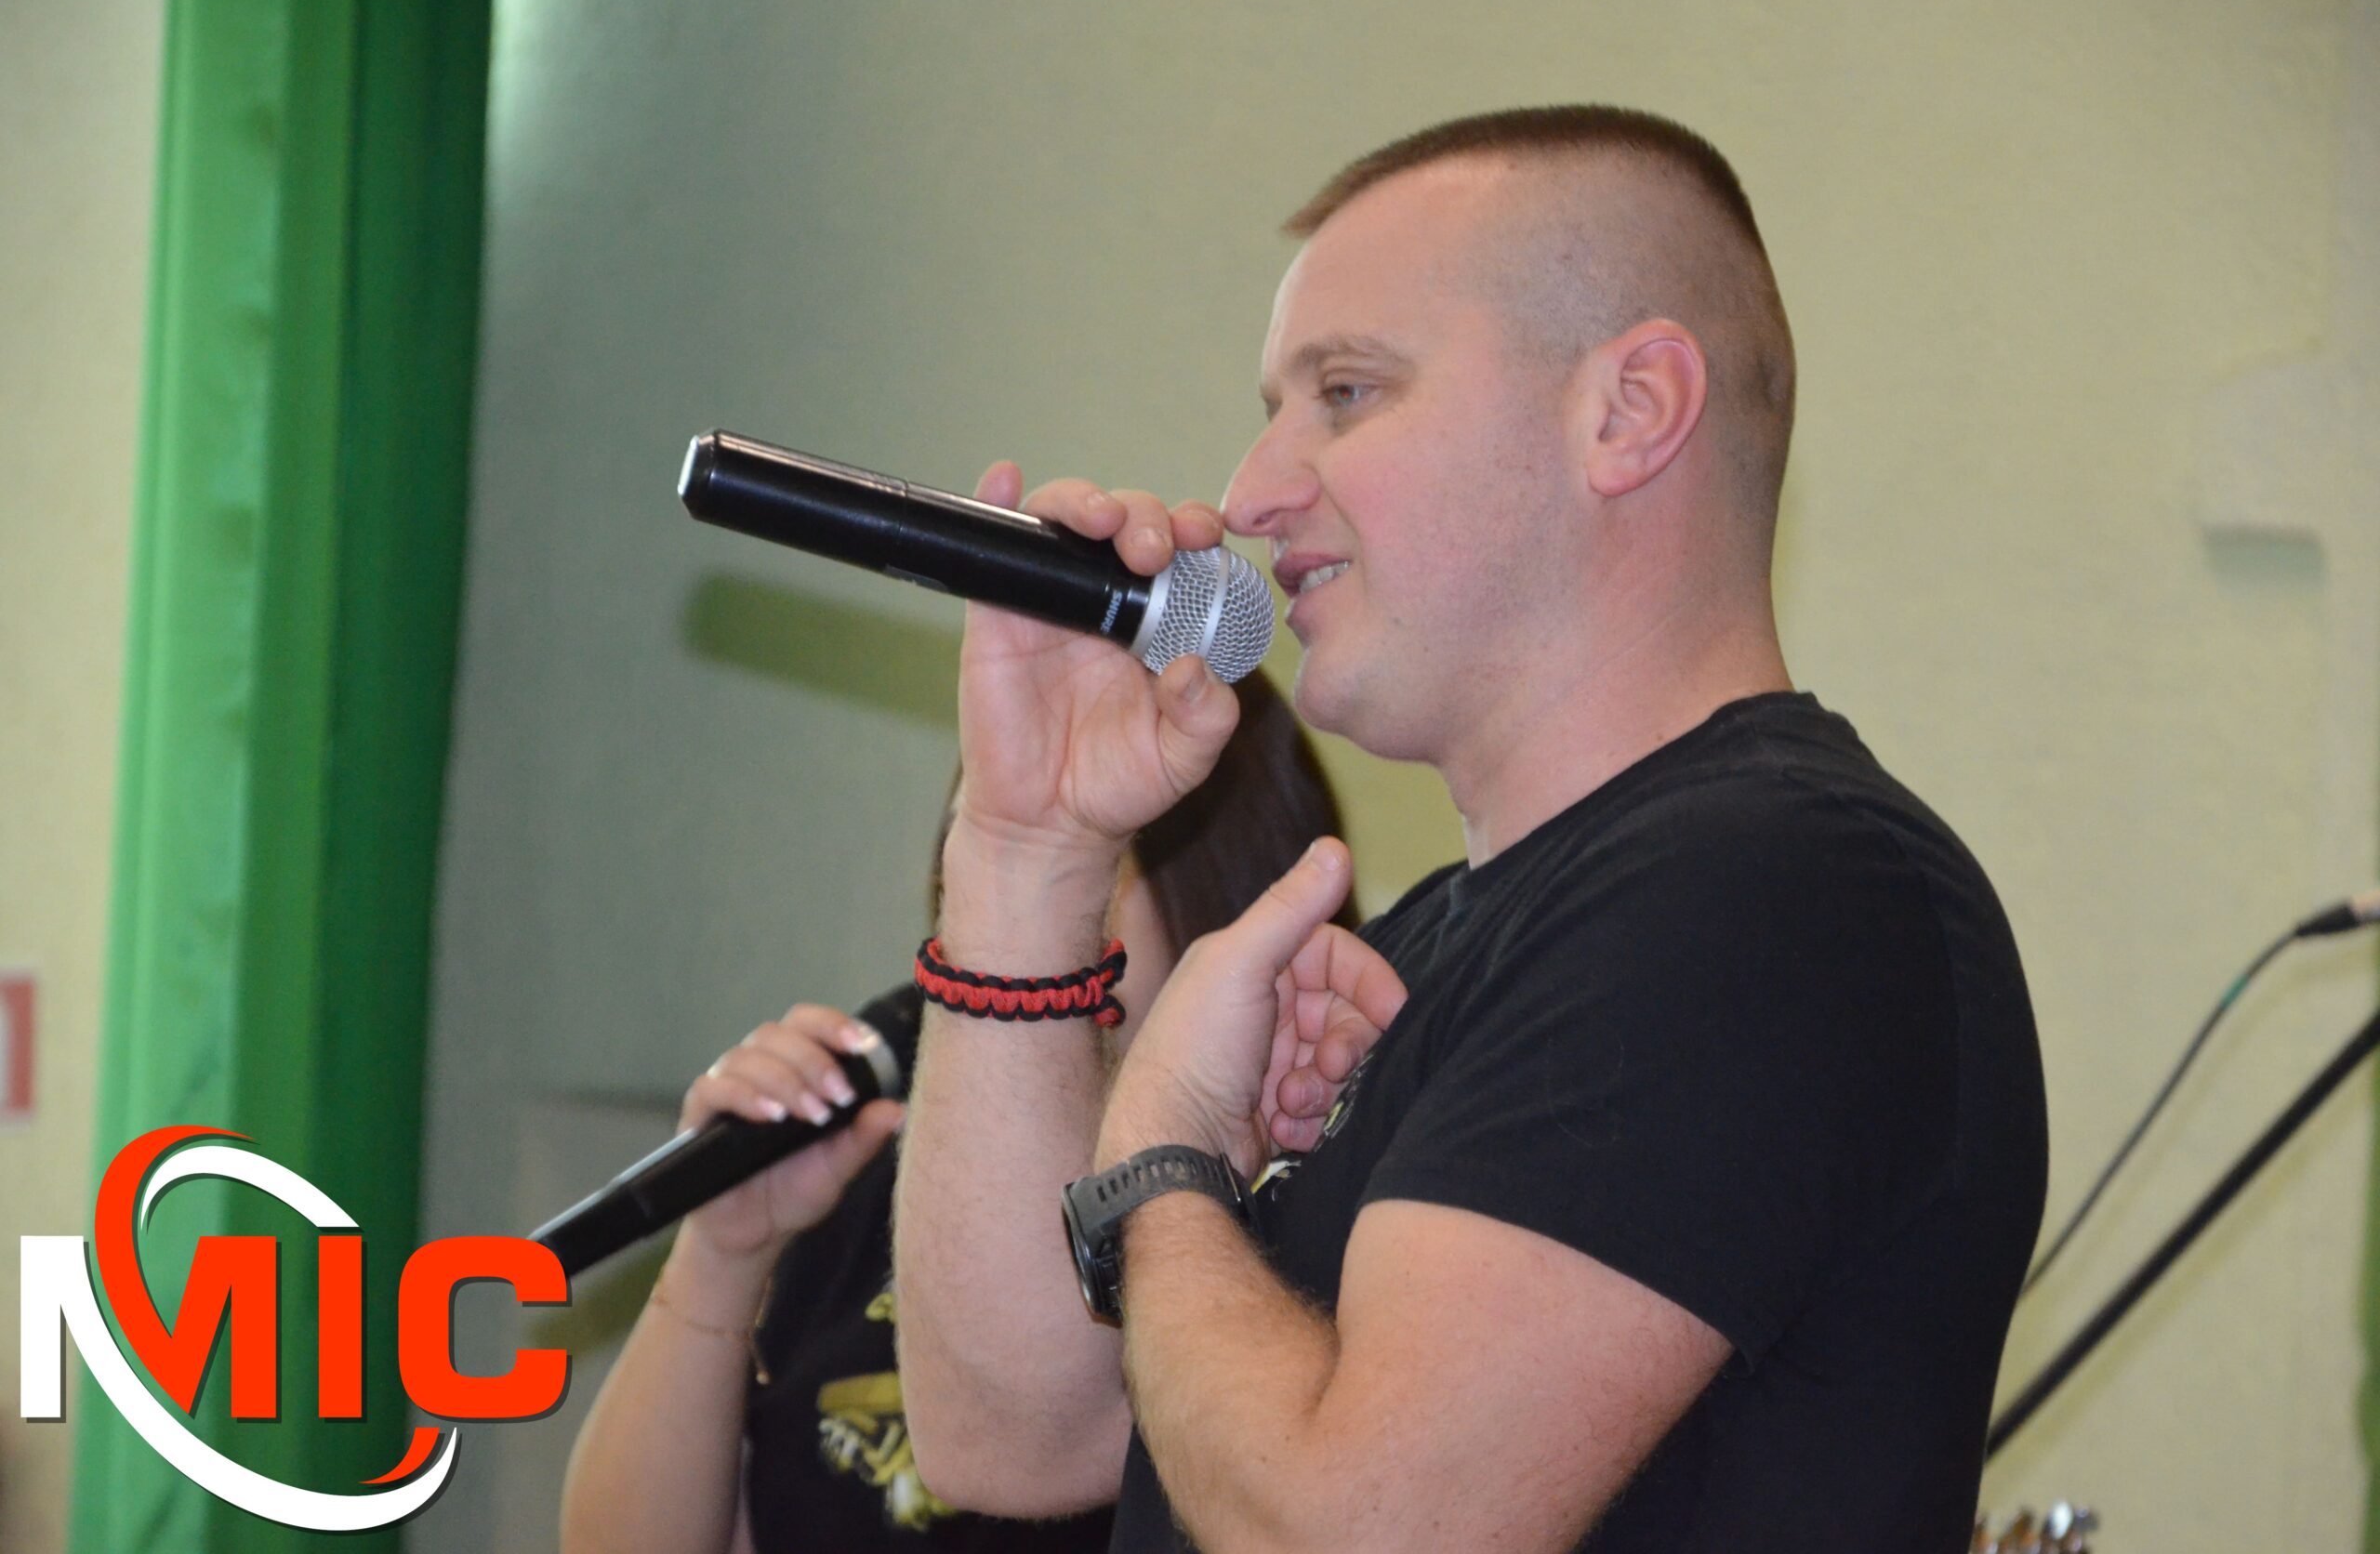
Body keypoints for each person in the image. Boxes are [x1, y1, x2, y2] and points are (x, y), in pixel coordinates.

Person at [892, 105, 2049, 1552]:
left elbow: (1362, 1533)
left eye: (1348, 392)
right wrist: (1026, 852)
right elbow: (1009, 1436)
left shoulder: (1777, 893)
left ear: (1629, 413)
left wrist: (1162, 1167)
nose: (1251, 494)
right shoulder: (1441, 940)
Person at [559, 671, 1362, 1554]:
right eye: (986, 857)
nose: (1010, 913)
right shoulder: (890, 1187)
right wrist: (722, 1255)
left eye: (1076, 856)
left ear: (1229, 884)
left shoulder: (1288, 1227)